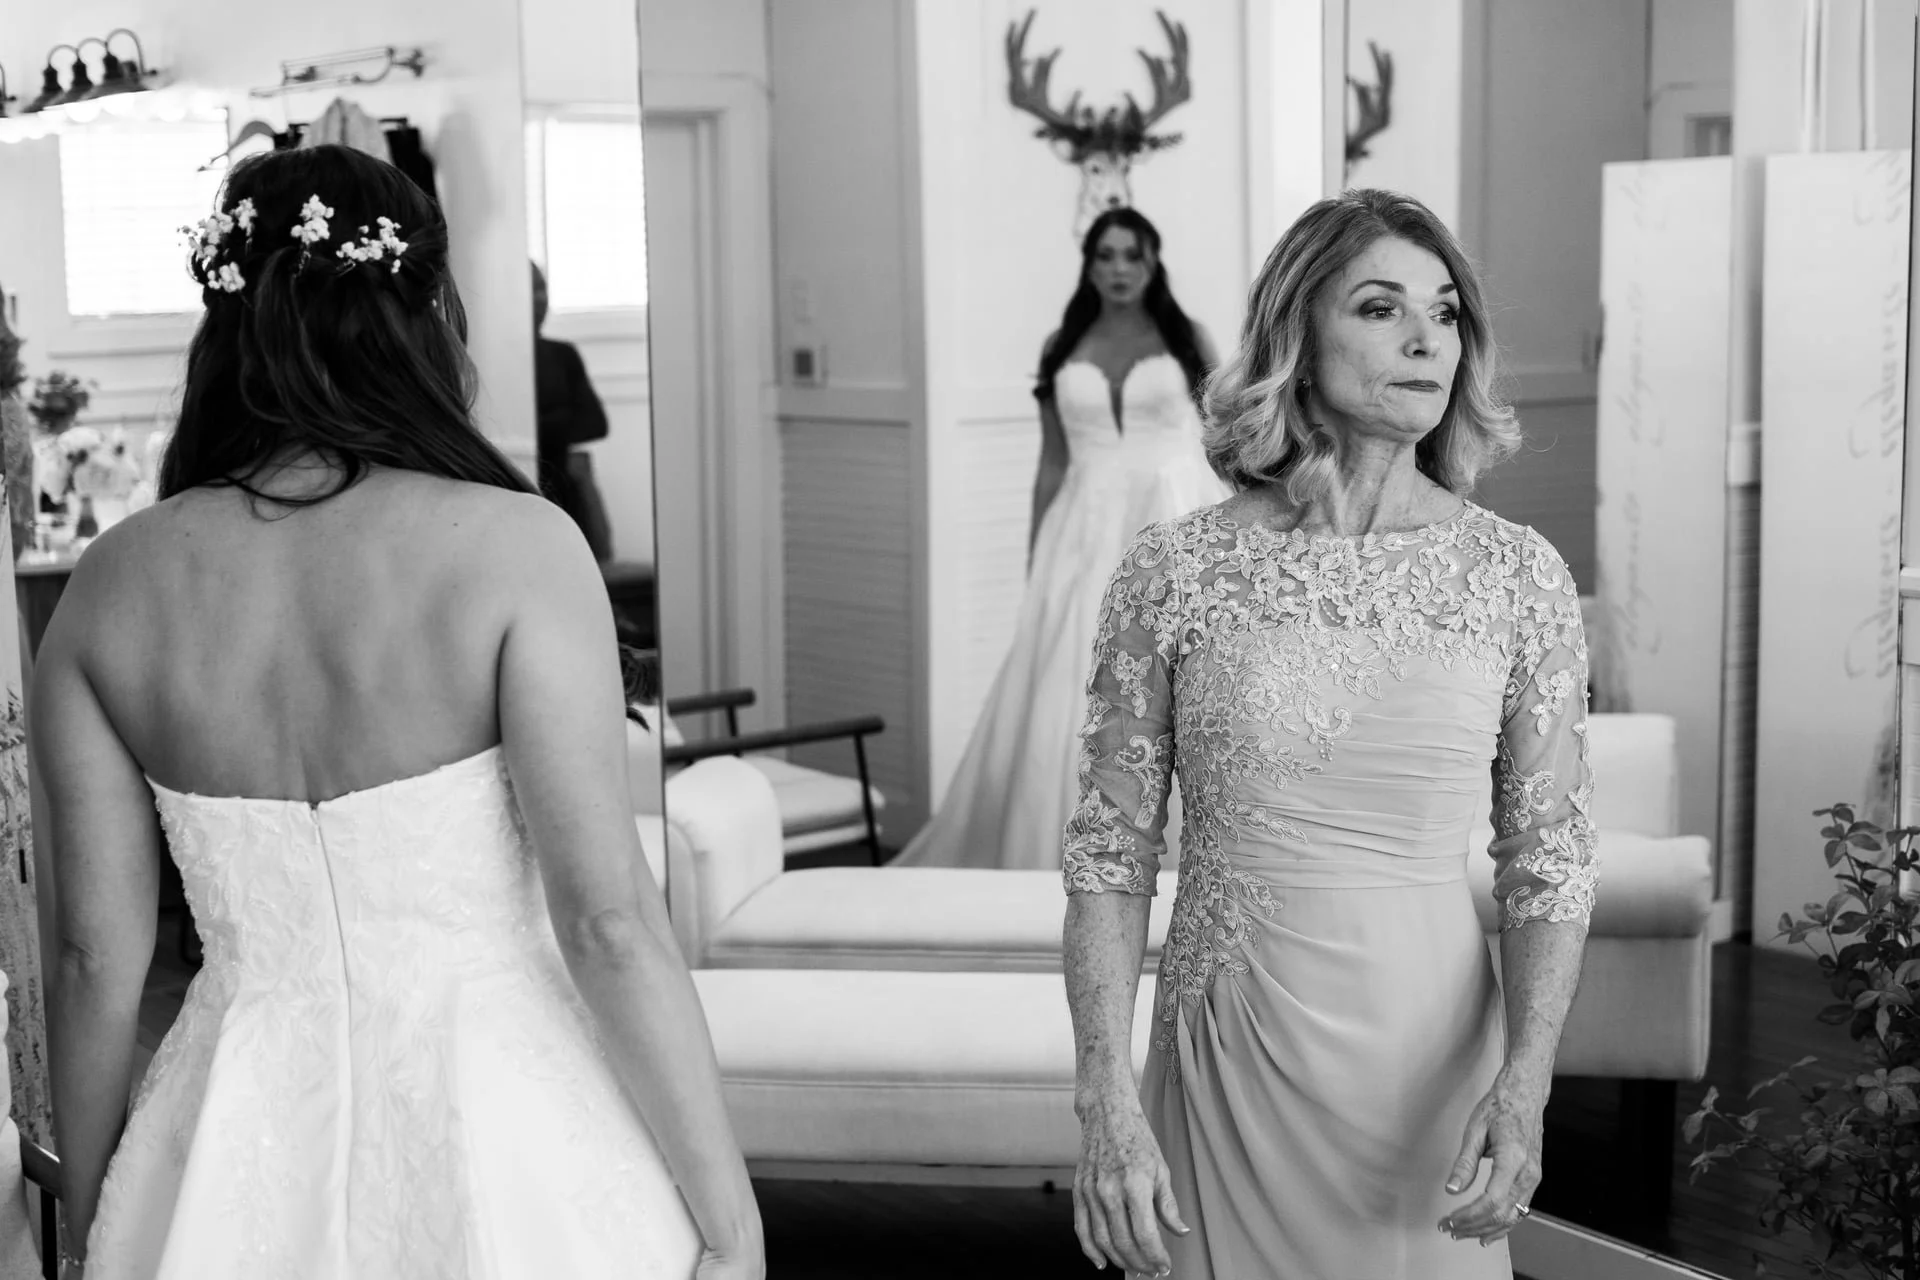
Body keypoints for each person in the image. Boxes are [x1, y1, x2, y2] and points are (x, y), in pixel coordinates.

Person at [31, 145, 762, 1279]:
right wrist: (731, 1215)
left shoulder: (109, 586)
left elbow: (90, 958)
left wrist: (90, 1222)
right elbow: (610, 921)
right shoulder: (516, 547)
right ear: (422, 310)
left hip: (233, 1139)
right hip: (504, 1119)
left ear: (223, 322)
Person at [1062, 189, 1596, 1279]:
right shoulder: (1174, 572)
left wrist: (1527, 1083)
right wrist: (1103, 1100)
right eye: (1381, 307)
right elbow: (1109, 859)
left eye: (1444, 313)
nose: (1424, 339)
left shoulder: (1517, 575)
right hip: (1227, 1061)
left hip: (1429, 1073)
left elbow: (1550, 863)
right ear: (1298, 335)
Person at [891, 207, 1228, 871]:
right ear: (1090, 263)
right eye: (1106, 256)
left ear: (1154, 260)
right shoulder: (1062, 343)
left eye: (1132, 255)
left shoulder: (1188, 337)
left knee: (1175, 677)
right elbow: (1051, 461)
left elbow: (1226, 440)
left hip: (1174, 510)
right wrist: (1035, 555)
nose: (1120, 269)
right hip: (1084, 525)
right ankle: (1062, 847)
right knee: (1072, 680)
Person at [533, 261, 616, 563]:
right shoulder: (489, 358)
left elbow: (596, 423)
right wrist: (560, 418)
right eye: (531, 289)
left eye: (543, 288)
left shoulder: (562, 354)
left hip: (565, 477)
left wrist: (539, 426)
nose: (541, 298)